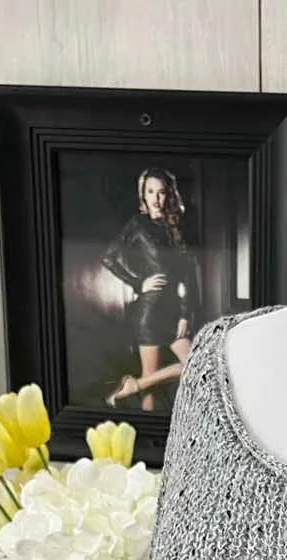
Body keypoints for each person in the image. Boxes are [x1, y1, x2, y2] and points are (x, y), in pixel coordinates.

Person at [100, 166, 200, 411]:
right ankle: (147, 431)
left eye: (161, 192)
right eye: (150, 192)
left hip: (173, 311)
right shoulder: (138, 224)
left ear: (169, 195)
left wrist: (185, 314)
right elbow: (109, 257)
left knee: (195, 365)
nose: (156, 198)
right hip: (149, 313)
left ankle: (134, 385)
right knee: (151, 389)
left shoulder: (176, 227)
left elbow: (188, 274)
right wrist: (138, 283)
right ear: (143, 195)